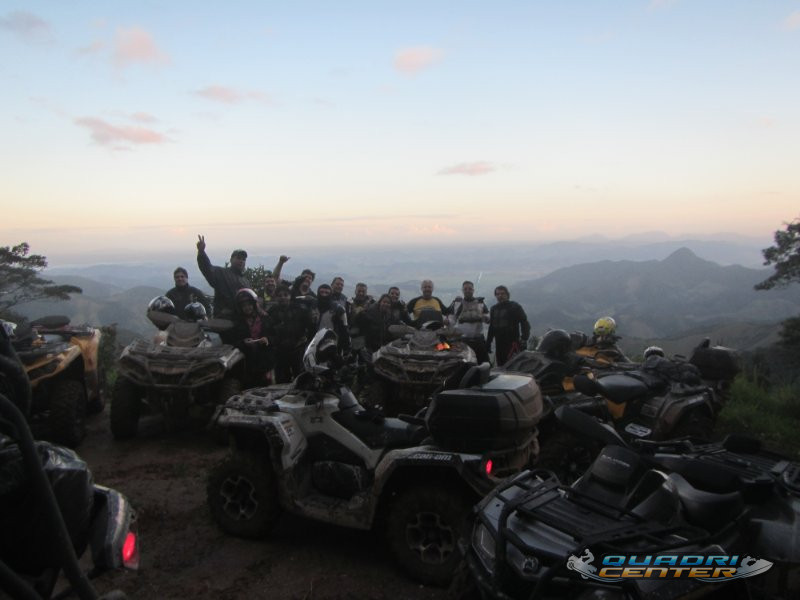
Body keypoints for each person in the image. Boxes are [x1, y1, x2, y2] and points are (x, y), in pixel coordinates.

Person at [266, 284, 316, 383]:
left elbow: (310, 327)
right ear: (276, 297)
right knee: (281, 380)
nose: (283, 297)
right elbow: (267, 330)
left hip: (298, 349)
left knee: (300, 378)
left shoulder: (300, 309)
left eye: (285, 295)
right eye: (280, 295)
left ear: (290, 296)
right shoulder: (272, 311)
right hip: (280, 351)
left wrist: (306, 341)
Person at [196, 235, 250, 319]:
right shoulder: (221, 273)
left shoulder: (245, 281)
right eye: (238, 258)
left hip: (241, 320)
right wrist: (201, 252)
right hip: (223, 320)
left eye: (243, 259)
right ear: (231, 260)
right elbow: (206, 268)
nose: (241, 261)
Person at [232, 288, 273, 385]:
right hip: (246, 364)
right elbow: (232, 341)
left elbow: (275, 336)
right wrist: (243, 343)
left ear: (254, 304)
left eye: (249, 304)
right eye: (243, 306)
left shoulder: (265, 318)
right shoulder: (237, 322)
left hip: (264, 361)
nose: (247, 308)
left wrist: (267, 339)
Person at [486, 285, 531, 366]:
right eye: (498, 294)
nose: (500, 296)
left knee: (513, 367)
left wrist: (524, 338)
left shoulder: (515, 307)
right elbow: (492, 327)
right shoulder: (493, 309)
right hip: (499, 344)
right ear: (495, 296)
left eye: (502, 293)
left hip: (512, 343)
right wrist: (488, 342)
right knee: (501, 365)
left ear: (507, 294)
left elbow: (524, 322)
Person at [449, 280, 490, 364]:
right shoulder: (458, 304)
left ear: (473, 290)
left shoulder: (480, 303)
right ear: (462, 290)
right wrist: (447, 322)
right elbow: (452, 320)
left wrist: (486, 318)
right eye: (465, 289)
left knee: (483, 363)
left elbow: (488, 318)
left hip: (478, 339)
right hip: (463, 340)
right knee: (464, 363)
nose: (467, 290)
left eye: (470, 289)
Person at [316, 283, 350, 352]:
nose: (324, 295)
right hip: (312, 343)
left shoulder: (339, 309)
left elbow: (344, 330)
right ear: (318, 293)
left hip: (331, 344)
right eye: (322, 292)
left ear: (330, 294)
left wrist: (346, 348)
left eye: (326, 292)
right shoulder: (312, 305)